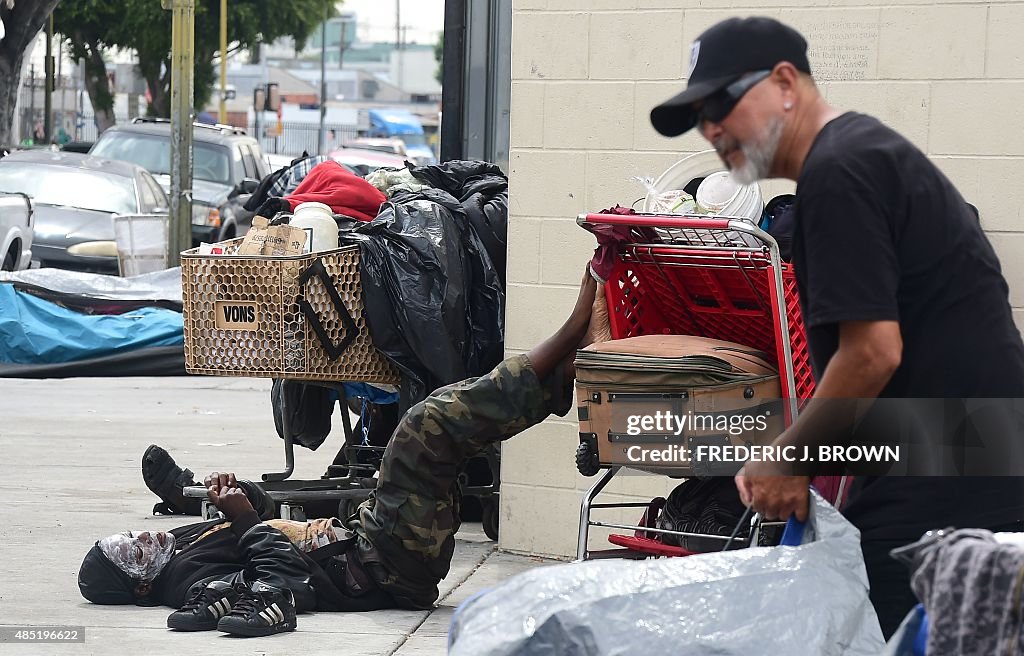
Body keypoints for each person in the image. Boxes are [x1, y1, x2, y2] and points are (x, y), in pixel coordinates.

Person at [650, 16, 1024, 638]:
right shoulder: (857, 156)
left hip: (952, 468)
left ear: (786, 81)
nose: (711, 127)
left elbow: (874, 352)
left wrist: (788, 458)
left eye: (722, 102)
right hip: (951, 447)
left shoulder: (840, 169)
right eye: (698, 114)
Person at [79, 270, 605, 636]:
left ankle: (575, 364)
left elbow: (274, 531)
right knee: (429, 425)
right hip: (384, 568)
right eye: (129, 552)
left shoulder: (179, 549)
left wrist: (245, 499)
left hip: (366, 537)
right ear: (140, 585)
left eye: (126, 536)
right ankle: (575, 342)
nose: (139, 538)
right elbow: (283, 581)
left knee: (437, 428)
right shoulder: (189, 584)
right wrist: (243, 522)